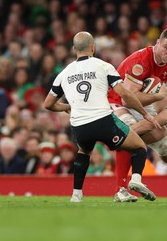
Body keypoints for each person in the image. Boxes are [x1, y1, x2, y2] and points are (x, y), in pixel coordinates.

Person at [43, 31, 160, 202]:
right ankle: (135, 180)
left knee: (83, 152)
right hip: (103, 121)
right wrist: (144, 114)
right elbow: (124, 94)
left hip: (80, 126)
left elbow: (48, 104)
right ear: (93, 47)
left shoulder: (64, 73)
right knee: (139, 147)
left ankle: (76, 195)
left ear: (74, 48)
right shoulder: (103, 66)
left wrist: (68, 107)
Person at [107, 28, 167, 203]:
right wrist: (158, 96)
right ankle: (120, 190)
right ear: (158, 43)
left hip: (144, 105)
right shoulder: (141, 61)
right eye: (166, 48)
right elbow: (127, 100)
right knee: (130, 133)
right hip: (117, 101)